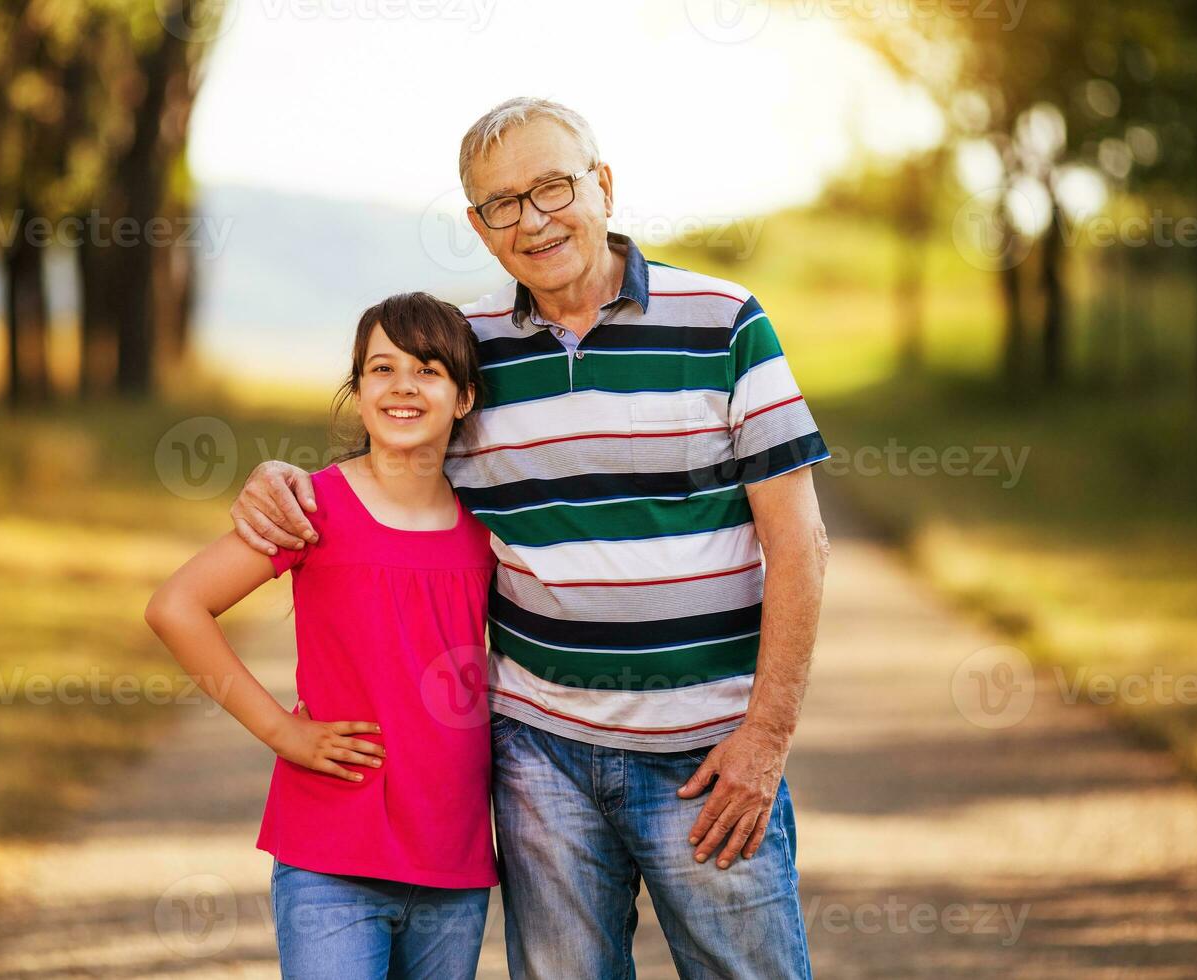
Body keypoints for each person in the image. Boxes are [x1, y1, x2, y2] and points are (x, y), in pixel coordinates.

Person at [231, 98, 831, 979]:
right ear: (479, 227)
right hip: (541, 760)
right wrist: (277, 481)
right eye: (503, 203)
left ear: (604, 186)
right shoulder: (470, 352)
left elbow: (801, 543)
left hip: (707, 754)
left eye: (553, 187)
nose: (535, 220)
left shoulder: (725, 322)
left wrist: (766, 736)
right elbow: (388, 460)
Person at [145, 292, 496, 979]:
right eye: (380, 369)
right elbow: (176, 606)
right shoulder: (313, 506)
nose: (402, 386)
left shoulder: (484, 528)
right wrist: (283, 732)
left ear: (462, 398)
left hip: (451, 857)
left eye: (428, 370)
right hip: (332, 852)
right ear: (358, 393)